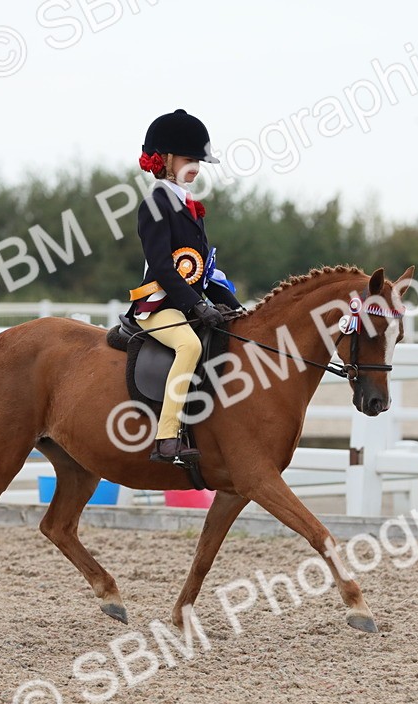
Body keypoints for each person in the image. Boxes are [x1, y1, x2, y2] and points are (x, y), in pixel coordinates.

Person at [127, 109, 242, 464]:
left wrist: (233, 305)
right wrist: (196, 305)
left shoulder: (191, 207)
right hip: (157, 306)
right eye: (189, 159)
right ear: (164, 160)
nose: (195, 167)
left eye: (198, 161)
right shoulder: (155, 205)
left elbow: (204, 268)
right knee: (189, 346)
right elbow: (162, 265)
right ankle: (166, 437)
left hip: (185, 302)